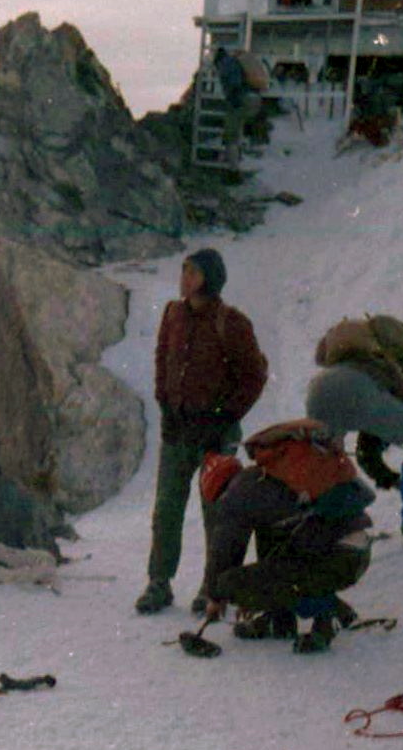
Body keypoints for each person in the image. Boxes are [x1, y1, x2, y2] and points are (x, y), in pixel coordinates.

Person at [135, 248, 268, 615]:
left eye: (191, 273)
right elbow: (163, 361)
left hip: (215, 434)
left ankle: (214, 588)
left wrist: (225, 416)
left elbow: (254, 375)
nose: (184, 279)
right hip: (179, 429)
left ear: (209, 278)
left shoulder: (232, 322)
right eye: (183, 272)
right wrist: (165, 405)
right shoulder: (173, 314)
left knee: (216, 515)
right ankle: (158, 583)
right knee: (166, 509)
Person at [201, 420, 376, 654]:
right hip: (355, 553)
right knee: (276, 561)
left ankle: (327, 614)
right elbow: (274, 558)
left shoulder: (237, 495)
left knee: (230, 583)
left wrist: (216, 595)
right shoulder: (268, 480)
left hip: (334, 560)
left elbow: (225, 551)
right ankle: (280, 619)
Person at [306, 316, 403, 545]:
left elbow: (368, 448)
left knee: (326, 461)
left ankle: (325, 537)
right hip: (358, 389)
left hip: (318, 389)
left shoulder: (367, 359)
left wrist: (389, 478)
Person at [213, 47, 264, 167]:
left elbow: (233, 83)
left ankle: (233, 168)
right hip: (255, 99)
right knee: (238, 129)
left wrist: (232, 99)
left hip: (241, 100)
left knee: (231, 135)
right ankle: (238, 158)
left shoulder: (225, 64)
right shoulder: (237, 62)